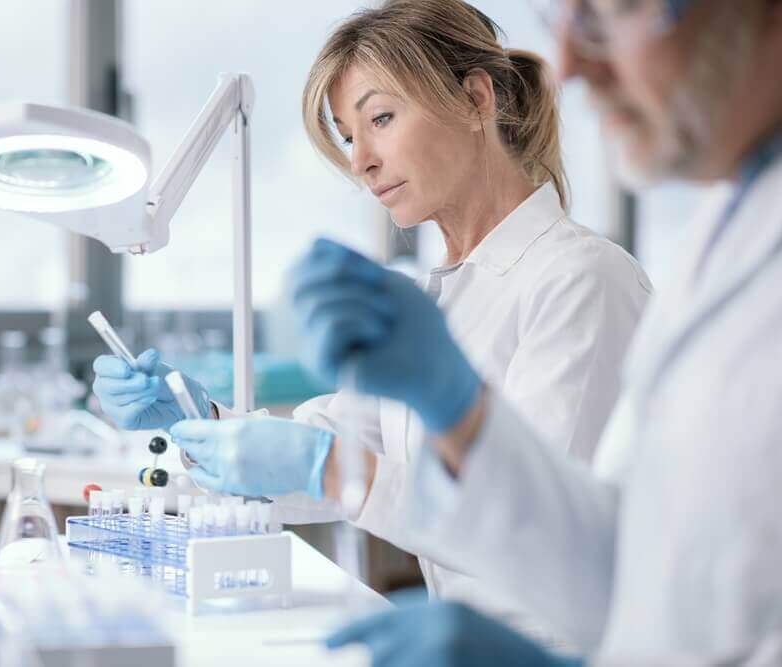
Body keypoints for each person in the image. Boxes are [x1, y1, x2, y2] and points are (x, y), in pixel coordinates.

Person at [93, 0, 650, 643]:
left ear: (475, 99)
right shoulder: (445, 295)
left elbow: (543, 530)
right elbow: (327, 449)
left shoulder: (581, 281)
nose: (360, 161)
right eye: (349, 136)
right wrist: (197, 420)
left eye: (380, 118)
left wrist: (328, 465)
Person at [290, 0, 782, 664]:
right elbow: (634, 566)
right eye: (567, 21)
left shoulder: (588, 277)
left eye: (618, 13)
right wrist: (202, 423)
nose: (572, 66)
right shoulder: (719, 244)